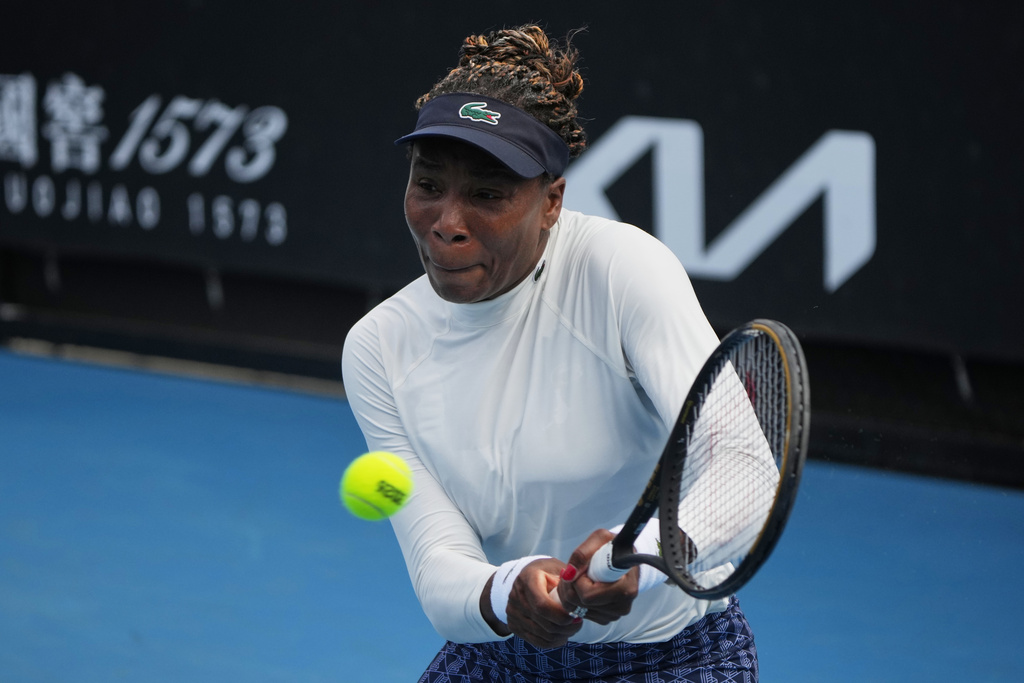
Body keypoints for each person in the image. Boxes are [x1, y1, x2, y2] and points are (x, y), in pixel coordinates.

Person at [341, 24, 758, 682]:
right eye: (428, 185)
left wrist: (646, 556)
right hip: (498, 656)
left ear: (552, 202)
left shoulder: (624, 270)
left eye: (486, 194)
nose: (447, 222)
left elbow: (744, 464)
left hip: (671, 658)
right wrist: (505, 589)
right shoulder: (377, 346)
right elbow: (436, 560)